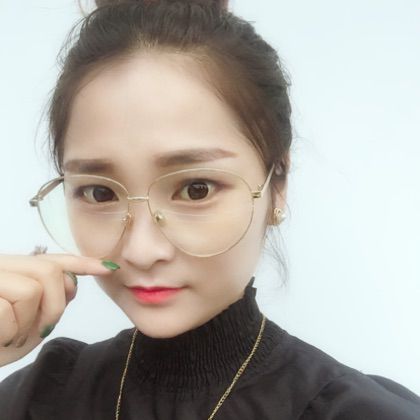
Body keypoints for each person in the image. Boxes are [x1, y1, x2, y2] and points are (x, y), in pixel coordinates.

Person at [0, 0, 419, 419]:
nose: (141, 251)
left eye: (195, 190)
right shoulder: (36, 399)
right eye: (99, 193)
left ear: (278, 183)